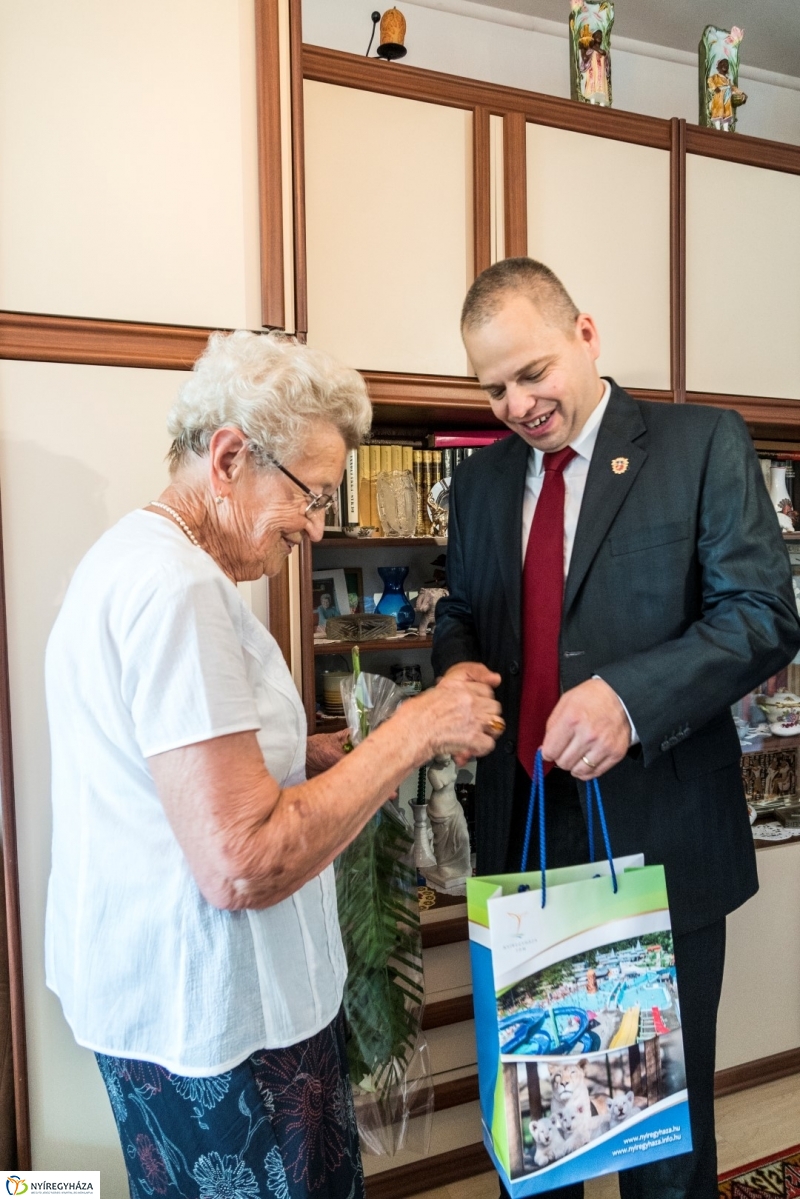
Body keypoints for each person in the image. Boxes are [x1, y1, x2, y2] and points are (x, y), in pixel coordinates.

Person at [45, 330, 503, 1199]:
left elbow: (179, 771)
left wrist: (326, 753)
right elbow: (243, 861)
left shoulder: (129, 558)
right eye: (313, 494)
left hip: (153, 1006)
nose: (318, 525)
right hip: (224, 1029)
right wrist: (411, 734)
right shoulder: (180, 592)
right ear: (228, 457)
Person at [431, 258, 800, 1199]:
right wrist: (457, 673)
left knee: (659, 1140)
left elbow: (762, 612)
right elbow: (461, 613)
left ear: (586, 334)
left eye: (533, 371)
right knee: (543, 1128)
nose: (518, 402)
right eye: (495, 386)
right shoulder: (477, 487)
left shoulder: (701, 444)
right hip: (520, 844)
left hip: (659, 842)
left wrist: (629, 699)